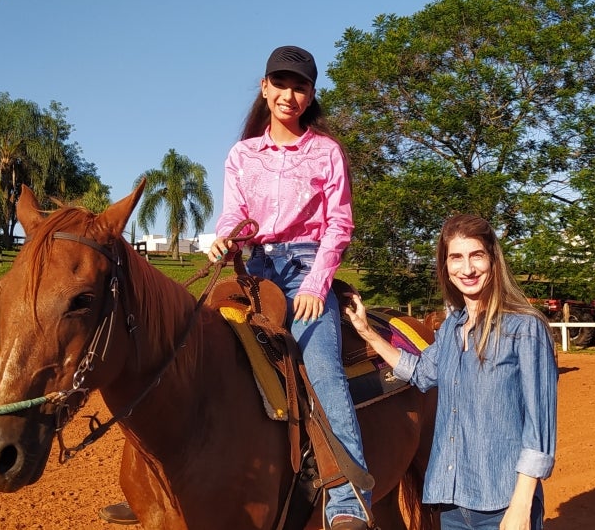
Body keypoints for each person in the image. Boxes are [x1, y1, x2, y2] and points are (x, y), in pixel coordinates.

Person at [207, 45, 370, 530]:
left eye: (300, 86)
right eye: (281, 83)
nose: (289, 94)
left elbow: (339, 224)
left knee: (321, 366)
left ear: (310, 94)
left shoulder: (326, 151)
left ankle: (347, 501)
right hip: (253, 268)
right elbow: (236, 212)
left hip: (305, 265)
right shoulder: (242, 154)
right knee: (199, 350)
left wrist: (317, 285)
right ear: (265, 88)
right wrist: (225, 239)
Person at [344, 214, 558, 530]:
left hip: (502, 505)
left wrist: (521, 507)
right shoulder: (451, 330)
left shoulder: (525, 328)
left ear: (493, 260)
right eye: (456, 257)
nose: (467, 269)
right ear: (445, 265)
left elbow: (539, 430)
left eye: (476, 255)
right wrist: (368, 333)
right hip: (452, 506)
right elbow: (420, 373)